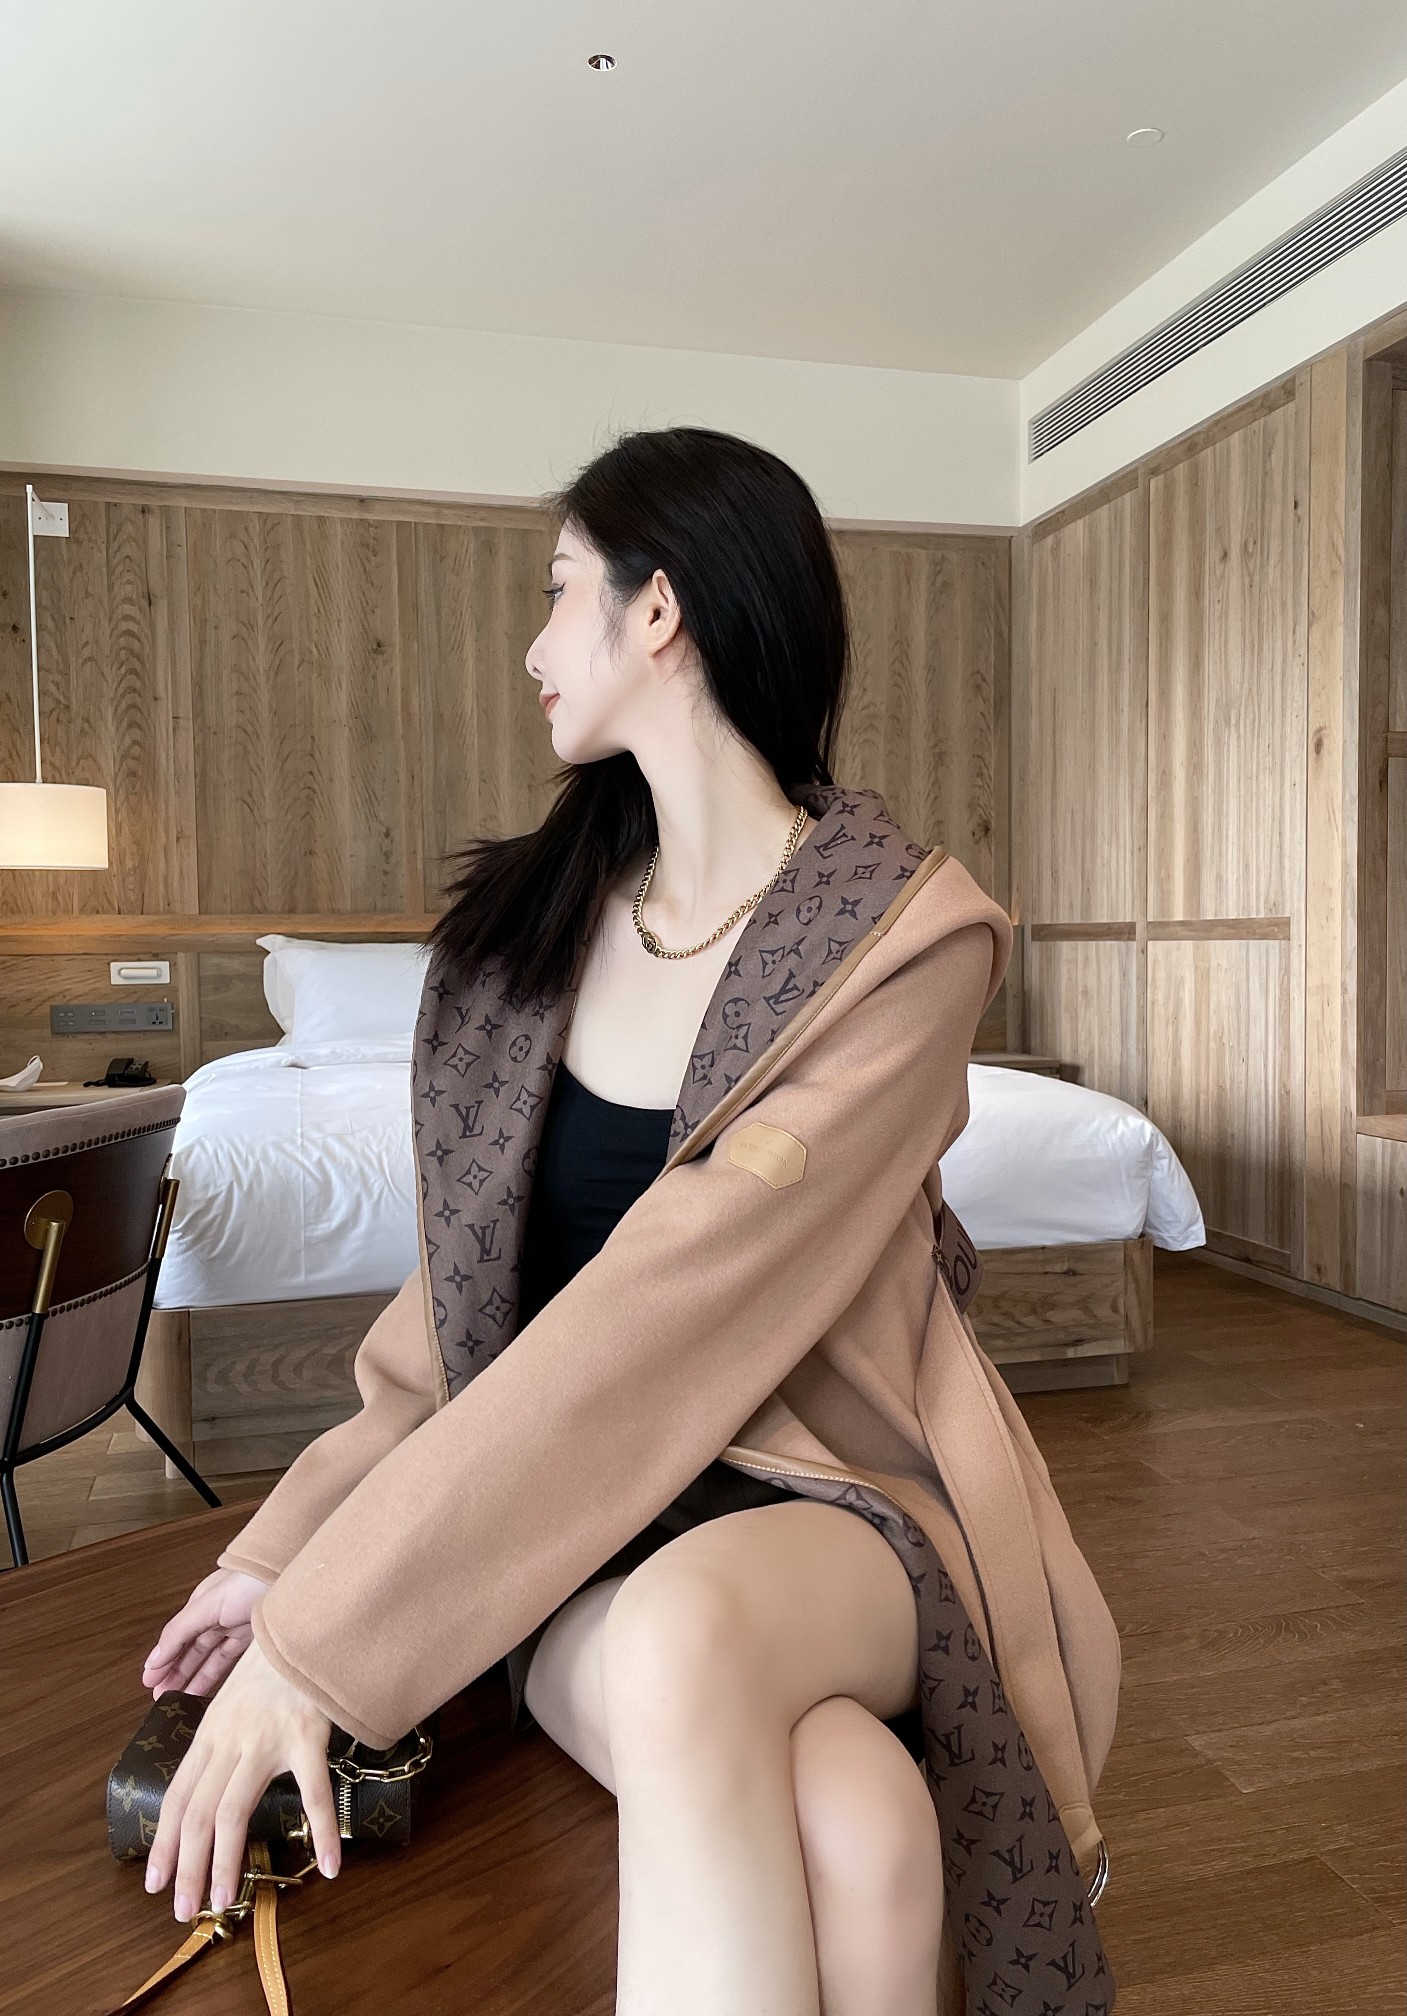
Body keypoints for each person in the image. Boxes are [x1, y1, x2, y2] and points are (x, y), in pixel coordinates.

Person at [140, 426, 1120, 2016]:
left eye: (557, 592)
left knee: (682, 1644)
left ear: (657, 610)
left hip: (834, 1497)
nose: (535, 648)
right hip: (564, 1519)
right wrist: (285, 1553)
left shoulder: (901, 943)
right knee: (863, 1824)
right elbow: (455, 1324)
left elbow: (672, 1300)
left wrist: (326, 1644)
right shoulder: (519, 944)